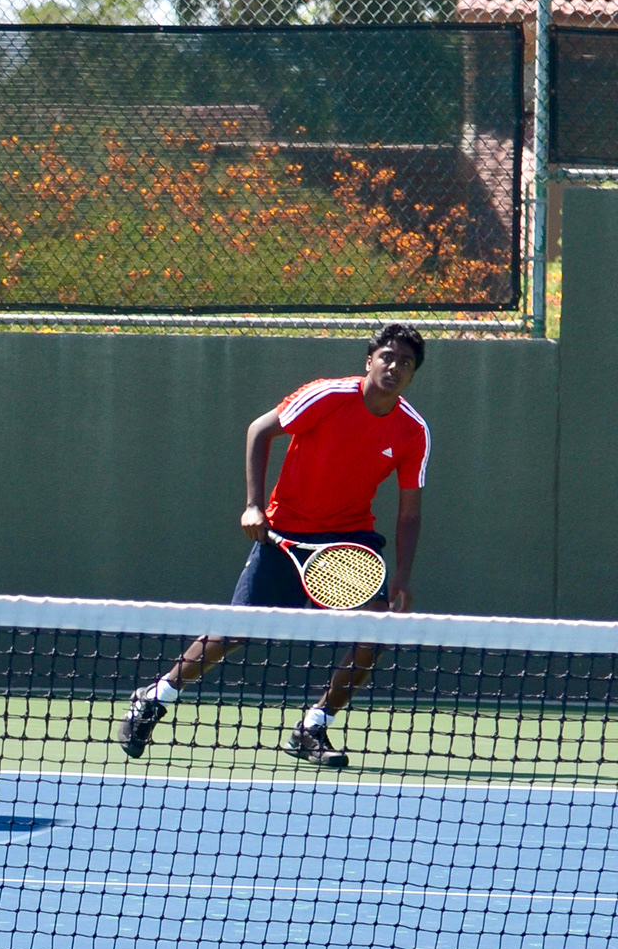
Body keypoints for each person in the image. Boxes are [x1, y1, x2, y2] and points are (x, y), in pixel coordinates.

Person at [116, 323, 428, 773]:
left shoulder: (412, 431)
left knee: (376, 631)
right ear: (369, 359)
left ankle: (312, 726)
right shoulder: (326, 396)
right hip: (285, 533)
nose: (394, 367)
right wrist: (253, 507)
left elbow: (410, 511)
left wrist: (401, 578)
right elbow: (260, 430)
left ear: (413, 373)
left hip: (347, 538)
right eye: (388, 357)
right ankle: (153, 698)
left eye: (405, 362)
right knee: (234, 632)